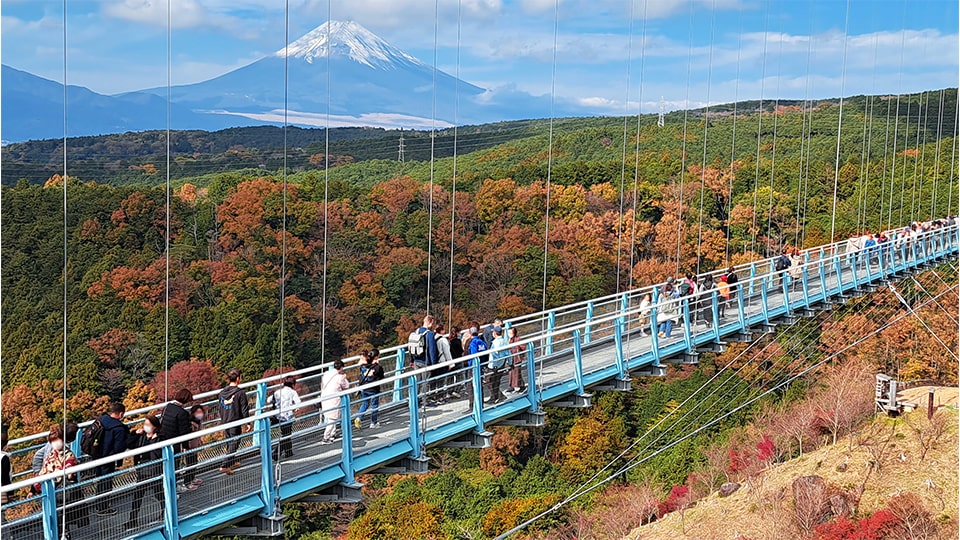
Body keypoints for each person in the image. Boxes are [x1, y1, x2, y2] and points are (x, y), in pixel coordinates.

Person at [37, 424, 86, 532]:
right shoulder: (51, 455)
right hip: (53, 490)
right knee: (56, 519)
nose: (55, 444)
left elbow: (70, 464)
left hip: (63, 491)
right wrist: (34, 487)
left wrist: (69, 472)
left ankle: (64, 534)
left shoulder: (68, 454)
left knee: (61, 518)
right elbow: (44, 470)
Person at [124, 416, 163, 530]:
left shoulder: (160, 438)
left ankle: (165, 511)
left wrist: (154, 440)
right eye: (145, 424)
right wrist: (134, 433)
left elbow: (158, 454)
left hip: (154, 469)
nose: (146, 427)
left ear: (155, 427)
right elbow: (129, 444)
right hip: (142, 469)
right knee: (138, 495)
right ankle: (132, 519)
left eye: (149, 425)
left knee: (158, 493)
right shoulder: (141, 437)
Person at [94, 402, 129, 516]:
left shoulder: (101, 420)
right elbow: (119, 447)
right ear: (120, 414)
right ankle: (103, 507)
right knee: (107, 481)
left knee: (100, 480)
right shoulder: (119, 428)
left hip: (96, 454)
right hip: (108, 457)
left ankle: (98, 503)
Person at [160, 388, 195, 489]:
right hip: (174, 442)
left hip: (163, 440)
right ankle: (172, 488)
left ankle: (168, 487)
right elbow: (184, 432)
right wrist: (186, 446)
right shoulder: (182, 413)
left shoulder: (168, 406)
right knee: (174, 465)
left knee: (166, 465)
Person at [218, 369, 249, 475]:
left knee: (229, 441)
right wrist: (248, 422)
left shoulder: (222, 393)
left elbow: (220, 407)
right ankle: (224, 465)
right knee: (235, 442)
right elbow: (244, 409)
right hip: (235, 420)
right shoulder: (240, 393)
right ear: (238, 378)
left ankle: (231, 461)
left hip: (225, 420)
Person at [410, 315, 440, 405]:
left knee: (417, 382)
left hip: (416, 360)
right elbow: (432, 350)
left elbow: (412, 346)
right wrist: (434, 363)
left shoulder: (416, 332)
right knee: (425, 382)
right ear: (430, 323)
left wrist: (412, 360)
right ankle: (424, 400)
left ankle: (414, 400)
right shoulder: (429, 334)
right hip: (425, 362)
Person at [270, 376, 302, 457]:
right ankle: (277, 452)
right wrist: (295, 408)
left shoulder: (277, 392)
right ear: (293, 384)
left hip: (278, 416)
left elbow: (269, 400)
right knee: (286, 435)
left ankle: (288, 452)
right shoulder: (293, 392)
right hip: (288, 416)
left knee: (286, 433)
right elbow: (298, 402)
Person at [320, 360, 349, 444]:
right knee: (333, 418)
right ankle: (326, 437)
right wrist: (345, 378)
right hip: (334, 399)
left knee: (330, 417)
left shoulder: (326, 374)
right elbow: (346, 386)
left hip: (325, 398)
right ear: (341, 368)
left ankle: (332, 434)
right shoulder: (340, 377)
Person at [355, 351, 384, 430]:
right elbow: (381, 376)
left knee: (365, 403)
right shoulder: (378, 367)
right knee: (374, 405)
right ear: (376, 357)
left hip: (364, 388)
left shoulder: (363, 366)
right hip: (374, 389)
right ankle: (373, 422)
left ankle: (358, 418)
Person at [183, 404, 206, 490]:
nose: (200, 414)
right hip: (189, 447)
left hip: (195, 446)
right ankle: (187, 482)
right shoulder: (190, 424)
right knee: (190, 464)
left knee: (194, 462)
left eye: (201, 412)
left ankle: (192, 478)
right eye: (197, 412)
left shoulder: (198, 422)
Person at [465, 324, 487, 410]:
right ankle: (481, 404)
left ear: (470, 333)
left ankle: (472, 406)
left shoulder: (473, 343)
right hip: (481, 366)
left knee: (471, 386)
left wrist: (470, 365)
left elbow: (473, 355)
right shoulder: (482, 342)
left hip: (473, 367)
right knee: (480, 385)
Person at [487, 326, 510, 404]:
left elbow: (495, 355)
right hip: (502, 364)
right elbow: (508, 353)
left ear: (495, 333)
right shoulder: (504, 341)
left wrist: (495, 365)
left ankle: (498, 396)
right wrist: (510, 363)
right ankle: (494, 397)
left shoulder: (495, 342)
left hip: (494, 365)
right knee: (496, 381)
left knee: (488, 380)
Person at [434, 325, 454, 402]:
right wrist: (450, 363)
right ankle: (441, 397)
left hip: (435, 362)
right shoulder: (443, 340)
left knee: (436, 380)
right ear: (441, 331)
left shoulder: (433, 338)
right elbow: (447, 352)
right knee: (442, 381)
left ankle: (434, 396)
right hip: (442, 362)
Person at [507, 326, 526, 393]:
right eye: (508, 332)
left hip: (516, 358)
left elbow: (524, 347)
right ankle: (512, 386)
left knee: (517, 373)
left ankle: (520, 386)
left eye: (510, 333)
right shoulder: (509, 340)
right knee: (511, 372)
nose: (508, 334)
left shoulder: (518, 339)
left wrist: (521, 355)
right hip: (511, 359)